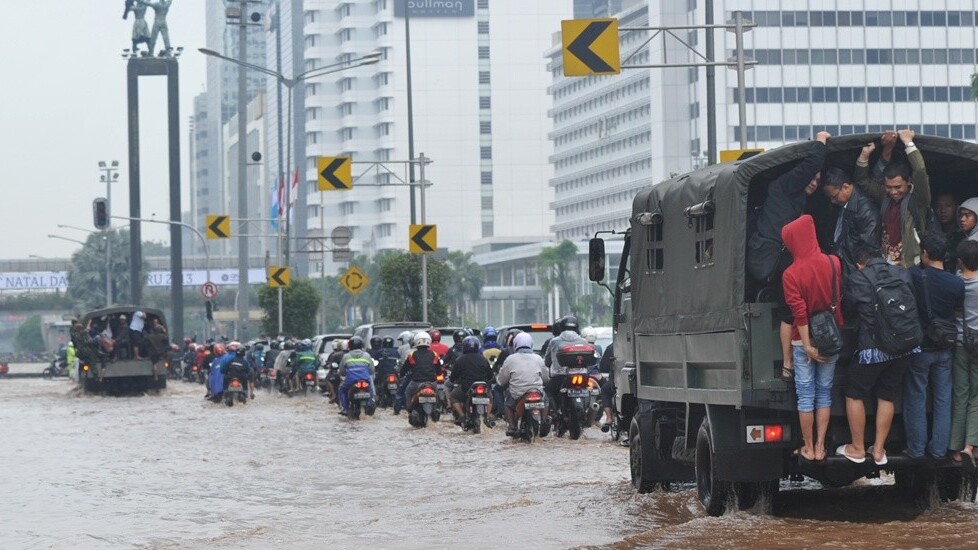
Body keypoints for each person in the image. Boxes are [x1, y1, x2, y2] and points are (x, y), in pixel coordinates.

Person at [837, 246, 920, 465]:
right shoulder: (902, 272)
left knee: (854, 393)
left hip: (873, 349)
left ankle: (857, 447)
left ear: (859, 264)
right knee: (887, 395)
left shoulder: (858, 277)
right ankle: (879, 450)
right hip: (903, 347)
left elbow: (848, 311)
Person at [781, 215, 844, 462]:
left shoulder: (790, 274)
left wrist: (807, 346)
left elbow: (800, 314)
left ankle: (808, 448)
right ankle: (821, 446)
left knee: (805, 395)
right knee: (824, 393)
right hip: (831, 337)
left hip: (801, 340)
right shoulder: (833, 262)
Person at [905, 232, 963, 459]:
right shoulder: (956, 283)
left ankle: (916, 449)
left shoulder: (914, 276)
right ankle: (939, 450)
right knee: (943, 399)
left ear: (925, 254)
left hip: (921, 348)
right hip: (945, 349)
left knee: (916, 396)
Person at [854, 129, 931, 266]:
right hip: (885, 262)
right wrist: (865, 155)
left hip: (910, 265)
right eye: (889, 187)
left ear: (908, 182)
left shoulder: (918, 199)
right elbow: (862, 181)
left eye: (898, 187)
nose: (893, 192)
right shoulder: (885, 196)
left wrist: (908, 142)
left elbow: (920, 172)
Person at [821, 165, 881, 281]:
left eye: (834, 197)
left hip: (855, 269)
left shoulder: (866, 211)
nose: (832, 201)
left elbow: (869, 247)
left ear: (846, 187)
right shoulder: (843, 205)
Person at [951, 240, 978, 463]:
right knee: (976, 396)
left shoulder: (955, 283)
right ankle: (971, 445)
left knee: (960, 394)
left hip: (959, 343)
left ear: (960, 262)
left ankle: (955, 447)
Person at [496, 333, 551, 436]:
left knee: (508, 405)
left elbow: (501, 380)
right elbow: (546, 378)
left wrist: (501, 382)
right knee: (546, 401)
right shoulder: (538, 358)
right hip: (537, 391)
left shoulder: (510, 359)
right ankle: (544, 422)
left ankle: (512, 426)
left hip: (518, 394)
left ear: (516, 344)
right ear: (531, 344)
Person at [449, 336, 494, 425]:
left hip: (466, 388)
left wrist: (454, 380)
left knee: (453, 396)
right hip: (483, 387)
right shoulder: (483, 359)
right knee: (490, 398)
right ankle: (488, 416)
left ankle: (462, 416)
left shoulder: (460, 359)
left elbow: (453, 377)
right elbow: (490, 375)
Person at [545, 314, 587, 408]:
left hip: (559, 376)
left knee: (547, 391)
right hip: (581, 375)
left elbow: (547, 360)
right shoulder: (583, 341)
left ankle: (555, 411)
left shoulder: (554, 341)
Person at [401, 332, 442, 413]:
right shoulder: (434, 354)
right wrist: (439, 374)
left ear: (416, 341)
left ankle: (409, 409)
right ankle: (438, 408)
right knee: (438, 395)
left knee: (408, 392)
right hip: (432, 382)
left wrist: (401, 374)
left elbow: (405, 368)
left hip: (416, 382)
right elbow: (439, 370)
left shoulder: (412, 354)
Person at [337, 337, 375, 415]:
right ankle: (371, 403)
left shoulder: (346, 356)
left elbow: (341, 371)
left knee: (342, 389)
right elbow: (372, 370)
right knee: (371, 390)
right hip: (365, 380)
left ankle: (345, 408)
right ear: (361, 345)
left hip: (350, 380)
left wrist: (343, 374)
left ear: (350, 346)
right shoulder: (367, 355)